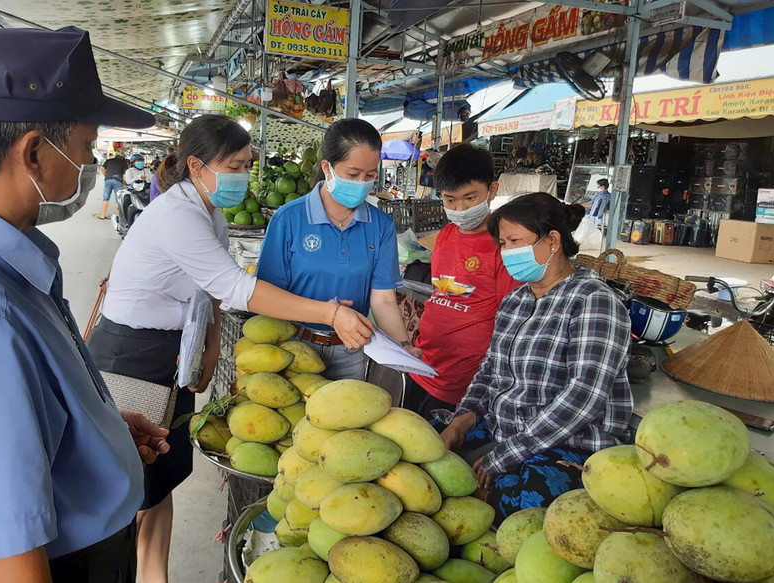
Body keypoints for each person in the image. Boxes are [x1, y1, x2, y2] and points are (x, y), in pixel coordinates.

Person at [0, 26, 171, 583]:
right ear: (33, 152)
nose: (91, 163)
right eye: (86, 146)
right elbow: (0, 563)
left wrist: (88, 434)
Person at [86, 114, 374, 583]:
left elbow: (211, 295)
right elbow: (234, 286)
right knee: (127, 486)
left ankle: (153, 576)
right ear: (196, 165)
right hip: (130, 355)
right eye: (235, 165)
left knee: (160, 479)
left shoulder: (209, 212)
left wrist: (210, 349)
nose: (243, 175)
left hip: (175, 351)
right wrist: (328, 313)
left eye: (246, 165)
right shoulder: (177, 213)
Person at [439, 192, 632, 522]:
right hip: (504, 430)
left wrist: (506, 456)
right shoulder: (516, 299)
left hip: (569, 445)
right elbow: (490, 370)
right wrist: (465, 417)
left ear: (553, 241)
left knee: (514, 510)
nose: (507, 252)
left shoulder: (594, 300)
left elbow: (582, 397)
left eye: (515, 241)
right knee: (424, 455)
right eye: (503, 243)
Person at [257, 118, 418, 381]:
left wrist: (403, 346)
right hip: (293, 346)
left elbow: (384, 300)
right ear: (327, 167)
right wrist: (328, 313)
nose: (362, 183)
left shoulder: (380, 225)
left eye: (370, 175)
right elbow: (267, 296)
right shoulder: (289, 219)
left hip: (352, 349)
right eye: (353, 174)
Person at [404, 144, 520, 420]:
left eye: (470, 198)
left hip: (464, 381)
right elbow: (442, 291)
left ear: (492, 190)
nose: (460, 208)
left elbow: (511, 320)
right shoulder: (445, 235)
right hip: (423, 363)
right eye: (450, 200)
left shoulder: (505, 245)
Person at [99, 152, 126, 219]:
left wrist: (106, 175)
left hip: (108, 180)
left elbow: (102, 168)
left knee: (105, 198)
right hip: (118, 181)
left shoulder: (109, 161)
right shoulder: (123, 162)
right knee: (118, 199)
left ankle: (102, 215)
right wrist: (124, 183)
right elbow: (124, 175)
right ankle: (117, 216)